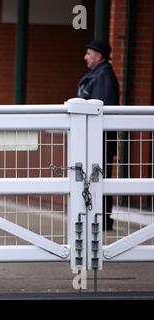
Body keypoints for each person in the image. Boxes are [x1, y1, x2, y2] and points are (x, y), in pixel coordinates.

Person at [78, 40, 120, 231]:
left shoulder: (102, 77)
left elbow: (98, 108)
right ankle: (96, 217)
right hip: (94, 138)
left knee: (98, 176)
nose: (85, 57)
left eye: (89, 53)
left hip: (99, 139)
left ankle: (101, 218)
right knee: (95, 176)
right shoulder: (98, 75)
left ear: (98, 56)